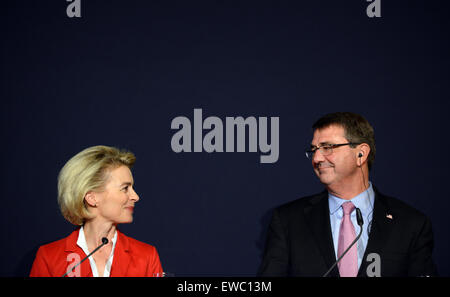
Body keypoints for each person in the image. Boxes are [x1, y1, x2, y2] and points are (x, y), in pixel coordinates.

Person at [258, 112, 437, 277]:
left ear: (361, 153)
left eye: (328, 147)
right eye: (314, 150)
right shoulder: (288, 220)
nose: (317, 158)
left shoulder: (410, 224)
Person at [30, 145, 164, 277]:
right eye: (125, 188)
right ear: (92, 197)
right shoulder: (49, 258)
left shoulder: (146, 256)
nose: (135, 196)